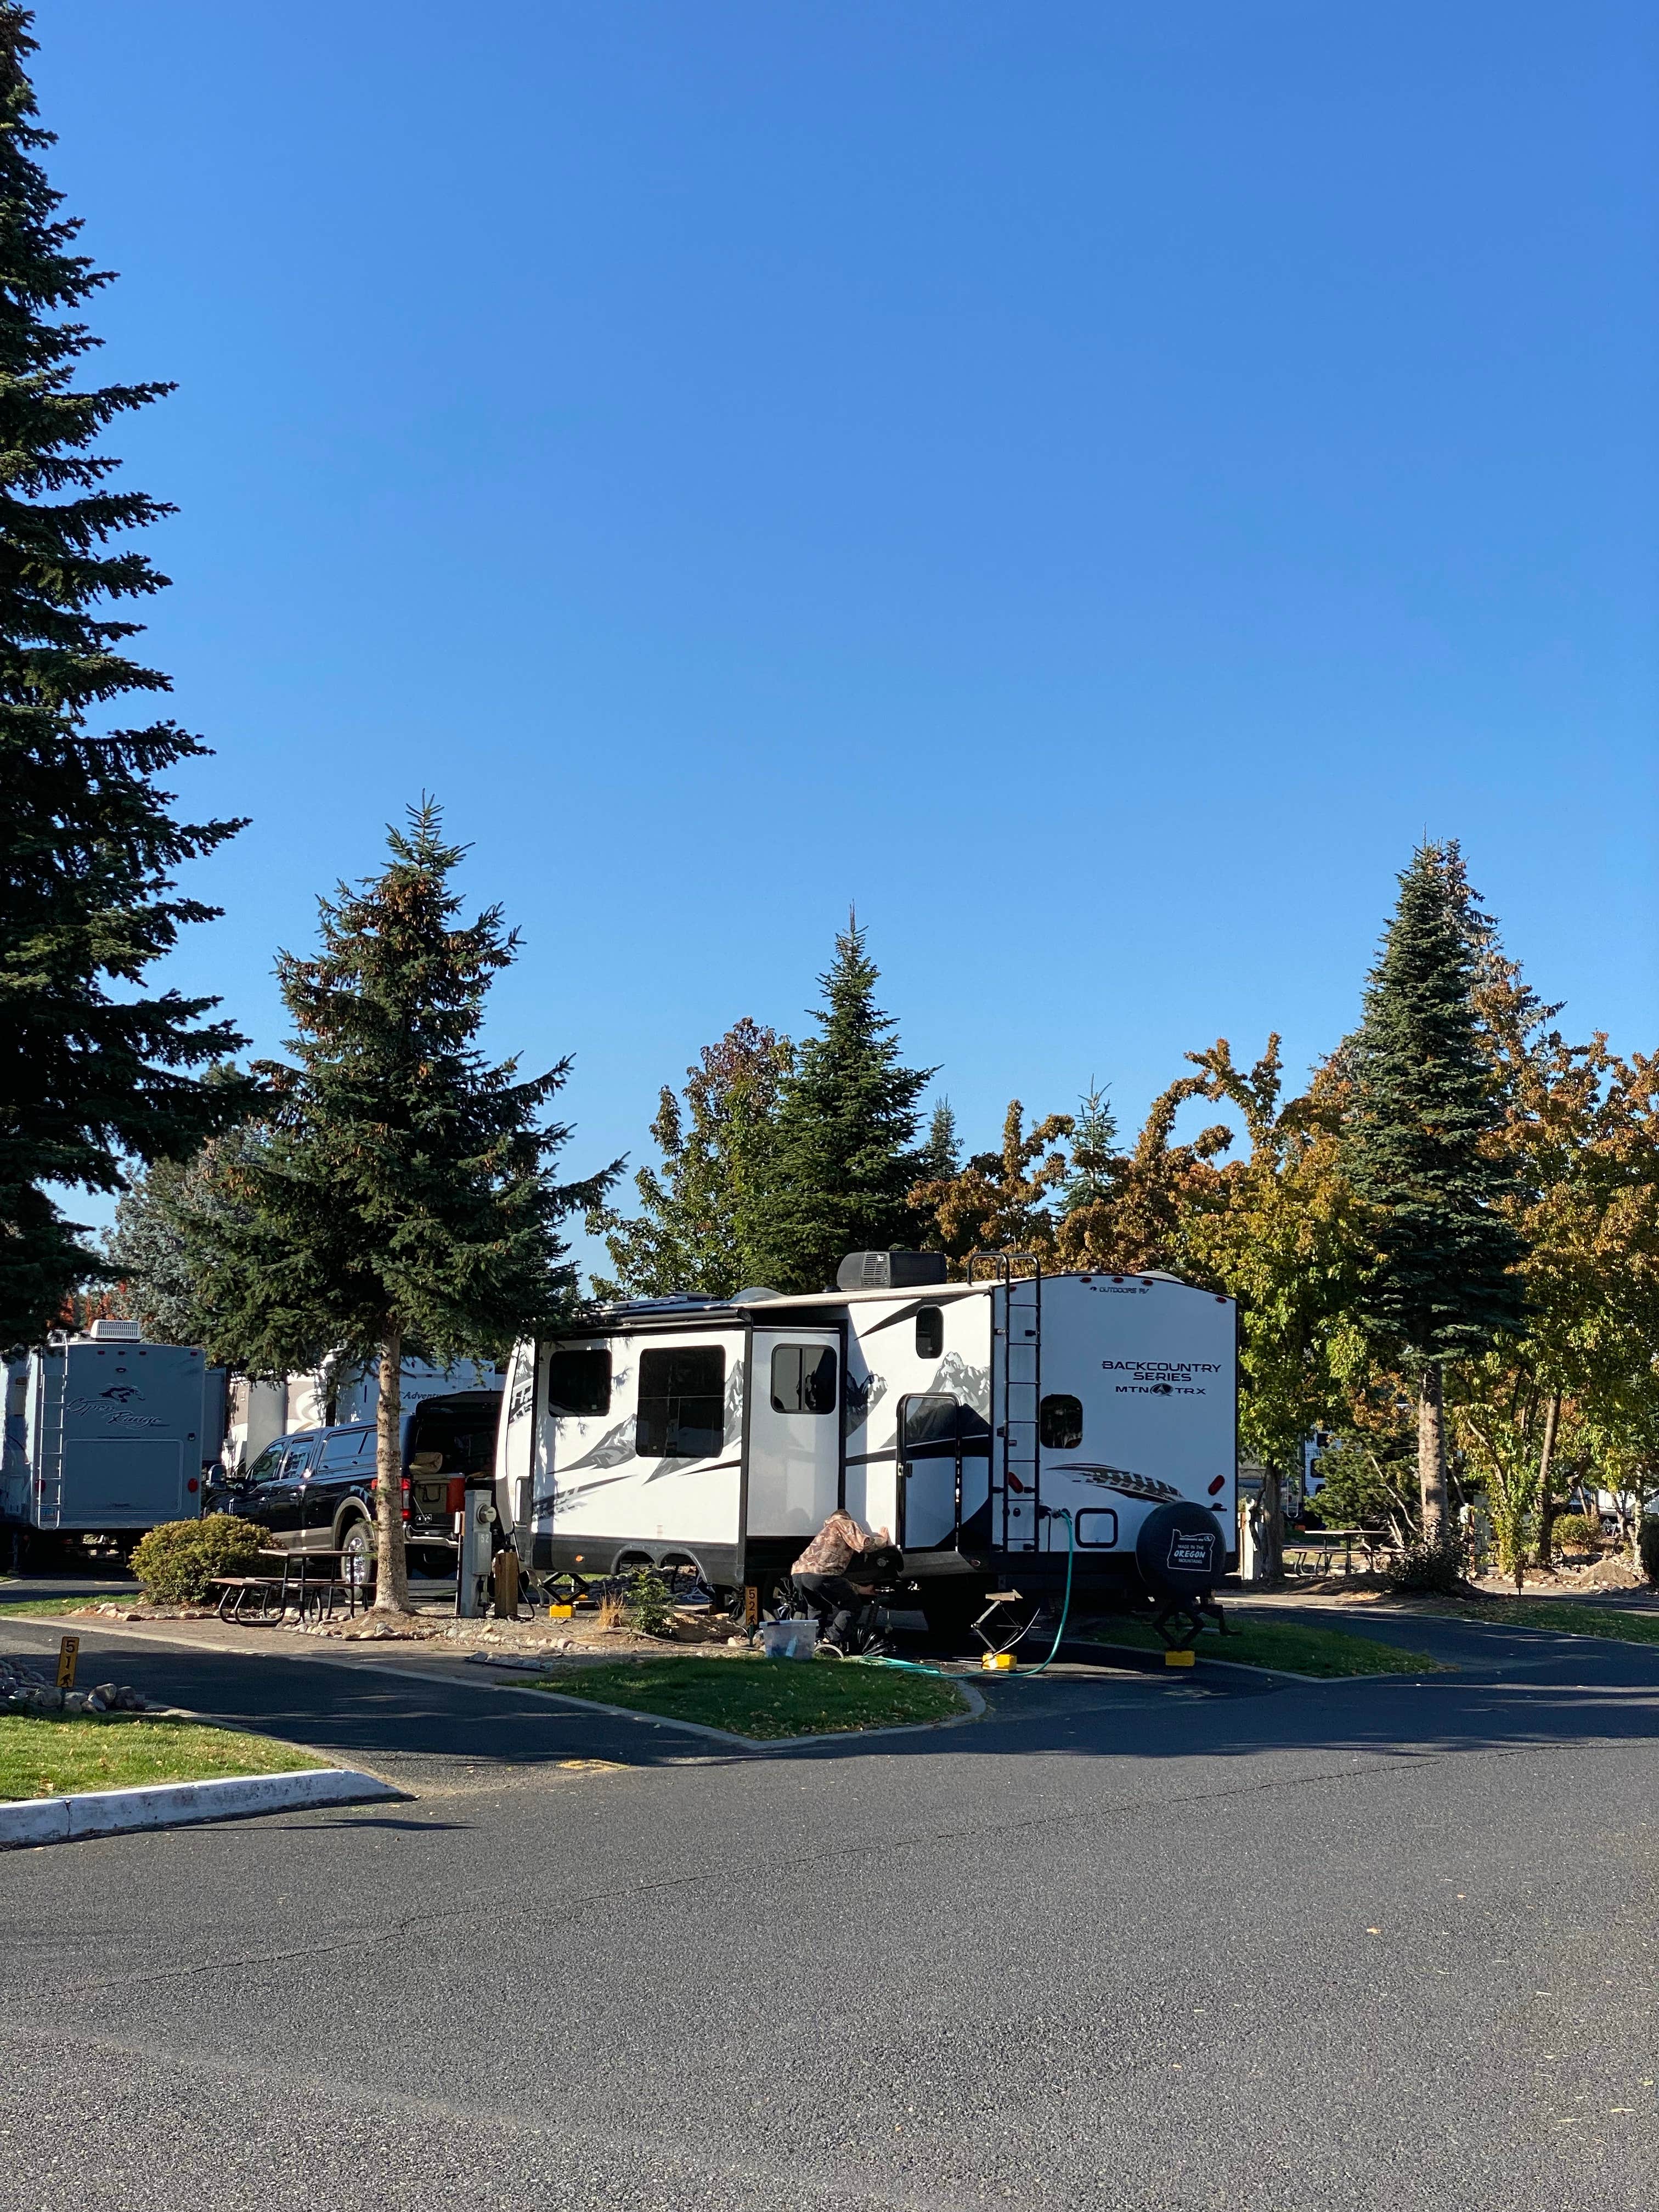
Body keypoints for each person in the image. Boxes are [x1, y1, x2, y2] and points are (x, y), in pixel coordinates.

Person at [791, 1509, 891, 1654]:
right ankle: (830, 1641)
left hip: (798, 1574)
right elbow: (863, 1545)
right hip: (820, 1575)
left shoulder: (825, 1531)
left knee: (817, 1607)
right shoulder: (844, 1524)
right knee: (853, 1607)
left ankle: (814, 1644)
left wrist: (862, 1590)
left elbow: (834, 1581)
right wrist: (883, 1541)